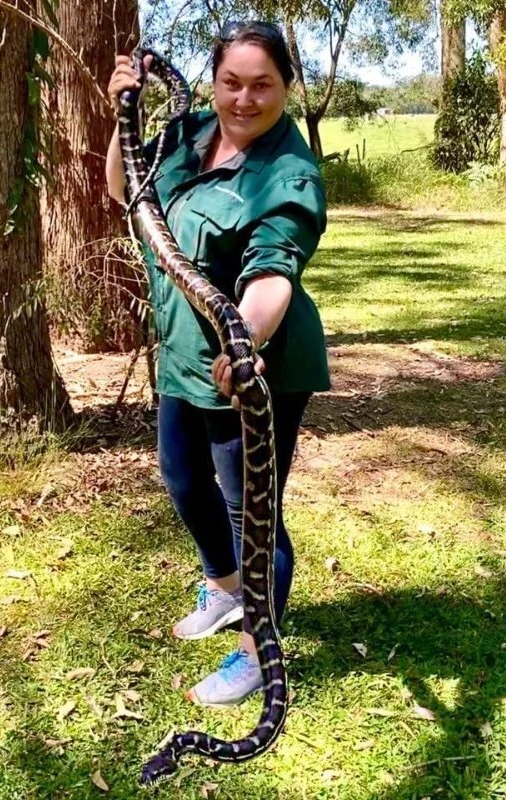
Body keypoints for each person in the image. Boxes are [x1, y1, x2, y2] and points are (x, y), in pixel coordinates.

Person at [105, 20, 330, 707]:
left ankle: (258, 651)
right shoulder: (189, 130)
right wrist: (123, 112)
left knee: (252, 514)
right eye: (231, 81)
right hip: (182, 348)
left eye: (263, 84)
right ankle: (226, 590)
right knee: (180, 475)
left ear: (286, 88)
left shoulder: (288, 173)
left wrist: (246, 341)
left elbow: (271, 271)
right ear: (212, 81)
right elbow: (125, 191)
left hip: (253, 368)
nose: (244, 98)